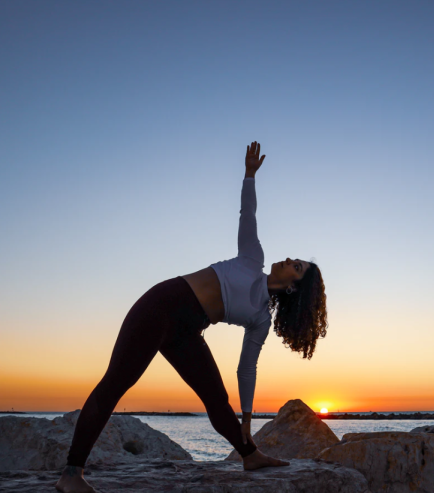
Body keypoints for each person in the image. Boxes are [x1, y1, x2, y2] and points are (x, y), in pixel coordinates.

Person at [56, 142, 328, 493]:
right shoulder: (251, 258)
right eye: (295, 258)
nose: (290, 259)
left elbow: (247, 367)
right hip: (162, 305)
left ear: (294, 287)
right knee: (115, 385)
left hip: (188, 329)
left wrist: (247, 416)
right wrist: (249, 175)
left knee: (216, 399)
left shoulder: (261, 317)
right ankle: (71, 474)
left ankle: (250, 454)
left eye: (297, 266)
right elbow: (249, 214)